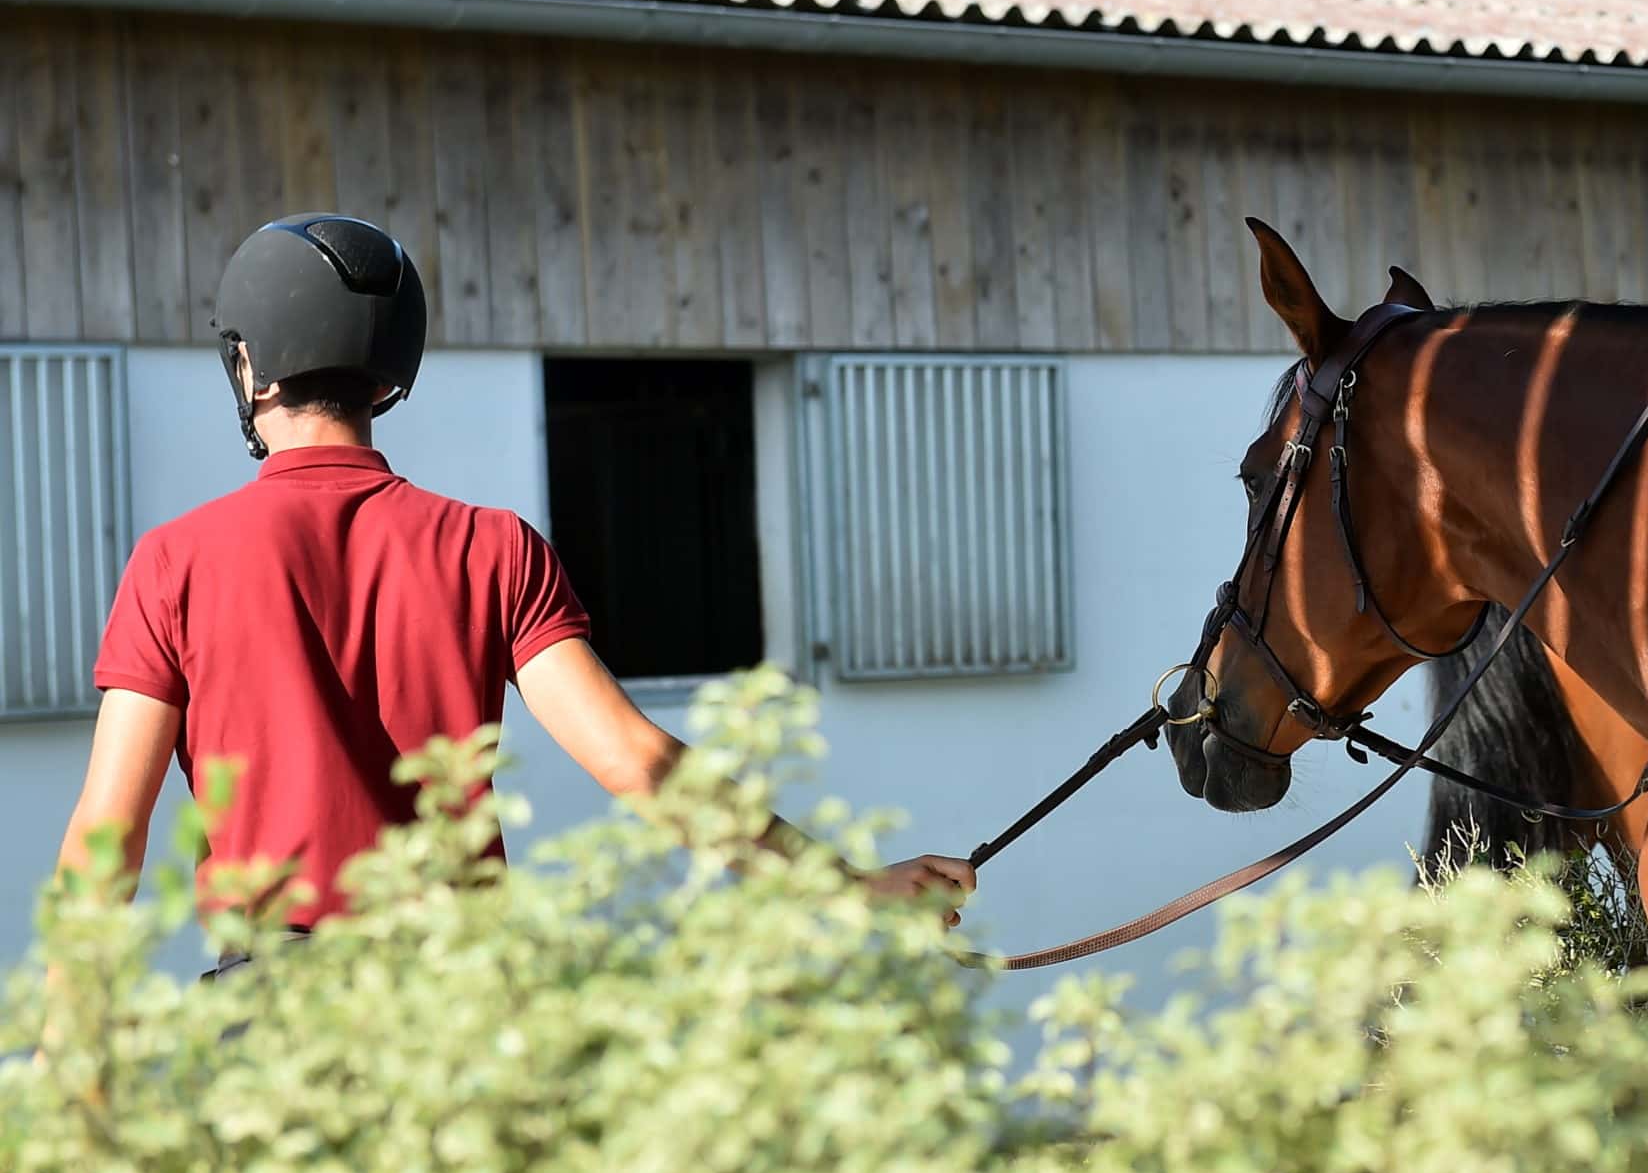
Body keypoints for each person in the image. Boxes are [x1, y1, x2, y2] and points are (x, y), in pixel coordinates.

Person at [52, 213, 975, 965]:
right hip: (465, 1001)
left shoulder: (173, 561)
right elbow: (637, 760)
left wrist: (70, 1054)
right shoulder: (492, 547)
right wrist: (846, 886)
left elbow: (109, 835)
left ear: (249, 364)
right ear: (388, 374)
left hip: (276, 1008)